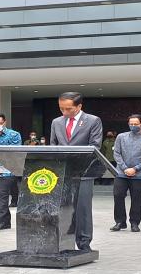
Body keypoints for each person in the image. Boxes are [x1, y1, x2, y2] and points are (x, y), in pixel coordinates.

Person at [50, 92, 103, 252]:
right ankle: (63, 241)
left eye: (69, 109)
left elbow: (94, 146)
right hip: (61, 172)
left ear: (79, 106)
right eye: (61, 109)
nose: (65, 112)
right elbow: (53, 144)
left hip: (83, 172)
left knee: (82, 209)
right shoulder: (56, 122)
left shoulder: (93, 121)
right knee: (62, 207)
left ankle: (84, 243)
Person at [111, 114, 141, 232]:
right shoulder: (121, 137)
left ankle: (134, 222)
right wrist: (124, 168)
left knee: (136, 198)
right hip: (121, 173)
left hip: (140, 174)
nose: (133, 126)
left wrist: (135, 169)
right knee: (118, 195)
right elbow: (116, 153)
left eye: (136, 124)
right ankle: (120, 222)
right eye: (131, 124)